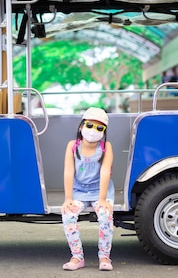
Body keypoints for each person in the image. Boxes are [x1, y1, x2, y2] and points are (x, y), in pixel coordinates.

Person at [61, 107, 114, 271]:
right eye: (90, 126)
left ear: (104, 131)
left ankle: (104, 256)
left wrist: (103, 199)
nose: (93, 131)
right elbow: (69, 171)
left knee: (105, 216)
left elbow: (106, 171)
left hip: (100, 191)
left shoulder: (106, 147)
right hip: (78, 191)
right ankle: (77, 256)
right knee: (68, 215)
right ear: (81, 126)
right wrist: (68, 198)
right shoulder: (72, 146)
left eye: (99, 128)